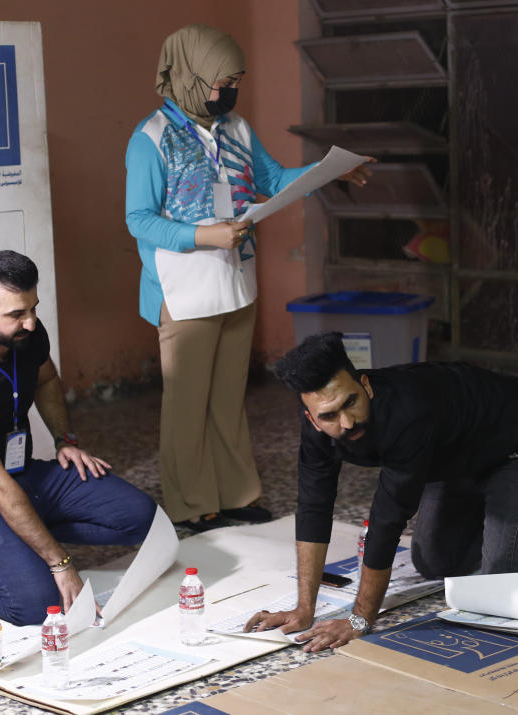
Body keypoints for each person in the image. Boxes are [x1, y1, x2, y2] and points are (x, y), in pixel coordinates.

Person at [124, 24, 372, 532]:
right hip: (184, 290)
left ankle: (236, 494)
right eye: (222, 81)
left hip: (236, 285)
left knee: (226, 400)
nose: (230, 91)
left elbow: (274, 180)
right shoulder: (150, 139)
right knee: (186, 407)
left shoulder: (235, 128)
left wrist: (328, 173)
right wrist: (206, 236)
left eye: (236, 80)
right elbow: (139, 218)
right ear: (191, 77)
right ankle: (192, 504)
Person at [245, 332, 518, 652]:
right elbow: (313, 506)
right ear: (311, 417)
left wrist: (359, 619)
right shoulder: (317, 426)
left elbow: (387, 519)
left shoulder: (408, 415)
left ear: (365, 385)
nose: (346, 422)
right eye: (328, 416)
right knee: (435, 562)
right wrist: (303, 609)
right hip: (456, 458)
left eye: (351, 403)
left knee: (505, 591)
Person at [0, 250, 156, 626]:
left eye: (33, 308)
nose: (31, 322)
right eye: (17, 314)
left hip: (18, 472)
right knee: (35, 606)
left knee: (142, 519)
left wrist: (64, 440)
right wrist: (59, 562)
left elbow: (47, 379)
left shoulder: (28, 335)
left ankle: (14, 535)